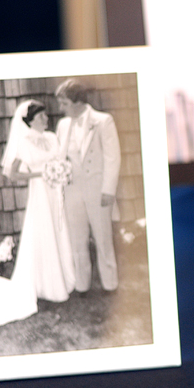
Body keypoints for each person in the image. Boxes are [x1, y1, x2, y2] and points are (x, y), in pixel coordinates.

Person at [0, 100, 77, 327]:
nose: (45, 119)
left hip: (56, 193)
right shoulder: (24, 142)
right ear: (30, 121)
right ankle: (47, 286)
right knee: (45, 233)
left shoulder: (52, 138)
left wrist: (59, 171)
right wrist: (41, 174)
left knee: (60, 230)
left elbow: (60, 161)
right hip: (41, 193)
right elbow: (13, 174)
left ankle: (64, 278)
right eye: (41, 117)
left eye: (45, 116)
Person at [55, 80, 122, 292]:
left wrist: (108, 191)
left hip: (97, 190)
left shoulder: (103, 121)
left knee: (103, 239)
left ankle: (110, 284)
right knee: (78, 240)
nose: (61, 108)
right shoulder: (63, 125)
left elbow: (113, 157)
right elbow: (59, 157)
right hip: (72, 190)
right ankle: (82, 286)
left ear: (77, 102)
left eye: (64, 103)